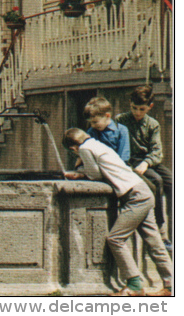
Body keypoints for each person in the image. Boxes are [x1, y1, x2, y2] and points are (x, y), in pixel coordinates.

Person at [63, 128, 172, 297]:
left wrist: (79, 170)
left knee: (115, 239)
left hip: (134, 197)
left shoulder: (84, 149)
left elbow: (94, 174)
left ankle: (135, 285)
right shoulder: (97, 144)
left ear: (73, 148)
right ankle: (171, 286)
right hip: (142, 191)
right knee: (154, 241)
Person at [116, 85, 173, 252]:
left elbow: (157, 151)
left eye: (142, 109)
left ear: (150, 107)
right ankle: (160, 230)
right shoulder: (121, 120)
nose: (137, 112)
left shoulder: (152, 124)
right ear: (130, 104)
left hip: (147, 161)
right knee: (156, 181)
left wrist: (146, 162)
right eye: (134, 108)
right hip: (130, 160)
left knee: (172, 181)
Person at [84, 97, 130, 161]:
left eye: (95, 122)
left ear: (107, 116)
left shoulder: (121, 130)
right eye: (90, 123)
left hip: (117, 166)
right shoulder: (91, 132)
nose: (92, 125)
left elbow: (124, 156)